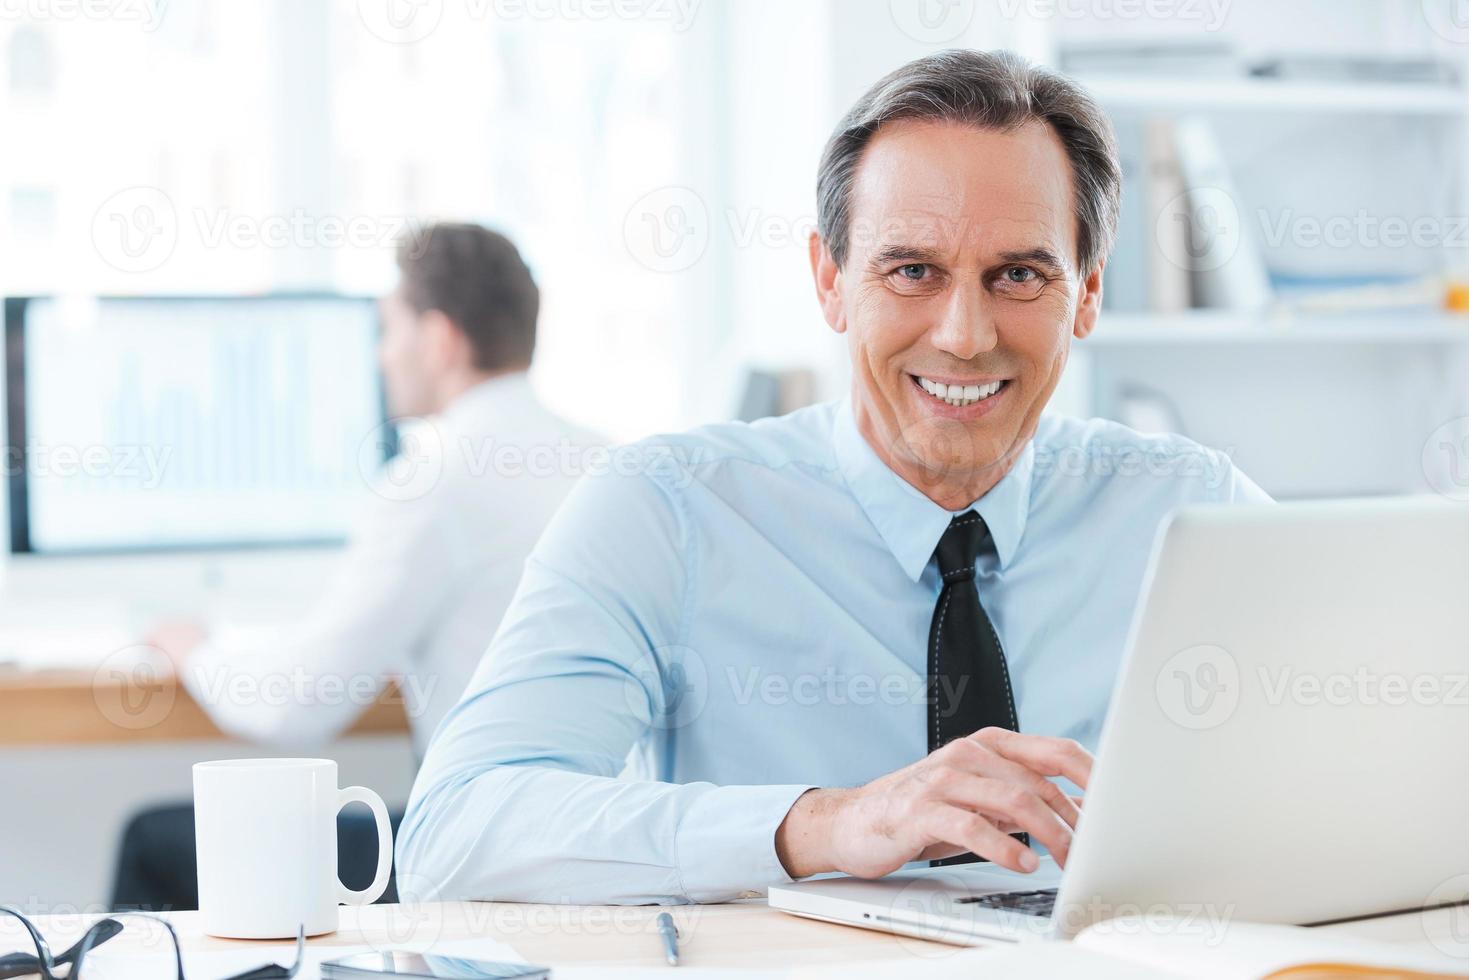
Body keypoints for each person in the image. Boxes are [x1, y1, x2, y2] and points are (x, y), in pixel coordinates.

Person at [395, 50, 1270, 907]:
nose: (964, 335)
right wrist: (821, 826)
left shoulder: (1193, 511)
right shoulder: (667, 509)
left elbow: (1382, 768)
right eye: (912, 271)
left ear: (1084, 293)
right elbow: (454, 833)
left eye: (1018, 274)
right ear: (831, 280)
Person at [111, 223, 603, 909]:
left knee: (151, 843)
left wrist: (195, 649)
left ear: (439, 340)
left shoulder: (436, 477)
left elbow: (295, 707)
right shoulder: (606, 459)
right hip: (593, 845)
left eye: (389, 330)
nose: (381, 356)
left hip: (485, 856)